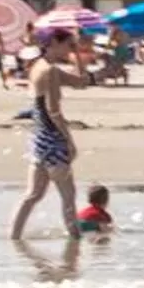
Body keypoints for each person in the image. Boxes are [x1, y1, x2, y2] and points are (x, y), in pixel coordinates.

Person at [10, 31, 89, 242]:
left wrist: (77, 54)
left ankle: (14, 238)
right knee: (68, 197)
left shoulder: (38, 66)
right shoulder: (50, 71)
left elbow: (82, 81)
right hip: (53, 139)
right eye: (67, 44)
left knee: (33, 195)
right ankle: (76, 244)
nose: (68, 49)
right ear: (54, 42)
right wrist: (69, 140)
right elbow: (53, 110)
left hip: (39, 138)